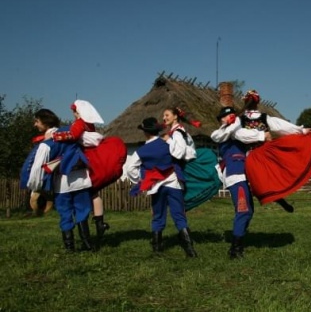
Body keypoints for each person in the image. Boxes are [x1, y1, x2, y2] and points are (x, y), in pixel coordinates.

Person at [51, 100, 126, 240]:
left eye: (74, 112)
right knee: (93, 193)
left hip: (88, 158)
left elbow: (73, 135)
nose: (73, 114)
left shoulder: (79, 123)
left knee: (85, 192)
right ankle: (100, 223)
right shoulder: (89, 124)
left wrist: (55, 136)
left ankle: (88, 227)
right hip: (95, 155)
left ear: (79, 112)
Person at [237, 90, 311, 211]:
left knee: (262, 183)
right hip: (266, 151)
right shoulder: (264, 118)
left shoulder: (239, 121)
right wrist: (301, 131)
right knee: (287, 161)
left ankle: (278, 199)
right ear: (257, 103)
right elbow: (282, 127)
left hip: (251, 155)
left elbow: (235, 134)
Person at [126, 117, 197, 257]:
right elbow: (186, 154)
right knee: (179, 215)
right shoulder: (169, 144)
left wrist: (142, 179)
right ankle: (189, 248)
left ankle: (157, 248)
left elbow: (130, 169)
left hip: (156, 187)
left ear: (145, 132)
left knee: (158, 216)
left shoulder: (142, 150)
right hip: (174, 184)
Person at [26, 109, 94, 252]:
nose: (35, 125)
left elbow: (37, 168)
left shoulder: (46, 144)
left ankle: (70, 247)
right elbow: (94, 140)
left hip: (62, 184)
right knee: (82, 211)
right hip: (81, 179)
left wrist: (36, 187)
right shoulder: (73, 132)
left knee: (65, 213)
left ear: (45, 122)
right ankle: (87, 244)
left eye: (37, 121)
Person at [211, 106, 258, 258]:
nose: (230, 118)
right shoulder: (221, 132)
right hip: (234, 175)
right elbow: (218, 135)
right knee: (243, 211)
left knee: (249, 211)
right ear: (221, 120)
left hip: (242, 175)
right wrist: (231, 122)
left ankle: (238, 244)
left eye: (232, 115)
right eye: (226, 116)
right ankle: (235, 250)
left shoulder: (238, 131)